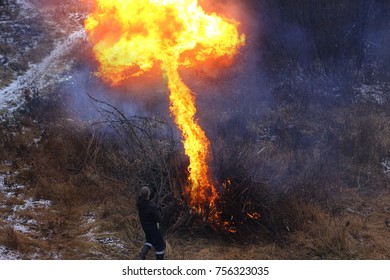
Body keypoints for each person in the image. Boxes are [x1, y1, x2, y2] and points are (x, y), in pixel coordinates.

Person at [136, 186, 165, 260]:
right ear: (148, 194)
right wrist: (158, 210)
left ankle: (142, 256)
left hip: (145, 227)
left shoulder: (140, 204)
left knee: (149, 240)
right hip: (153, 228)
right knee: (160, 245)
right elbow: (158, 219)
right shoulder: (151, 206)